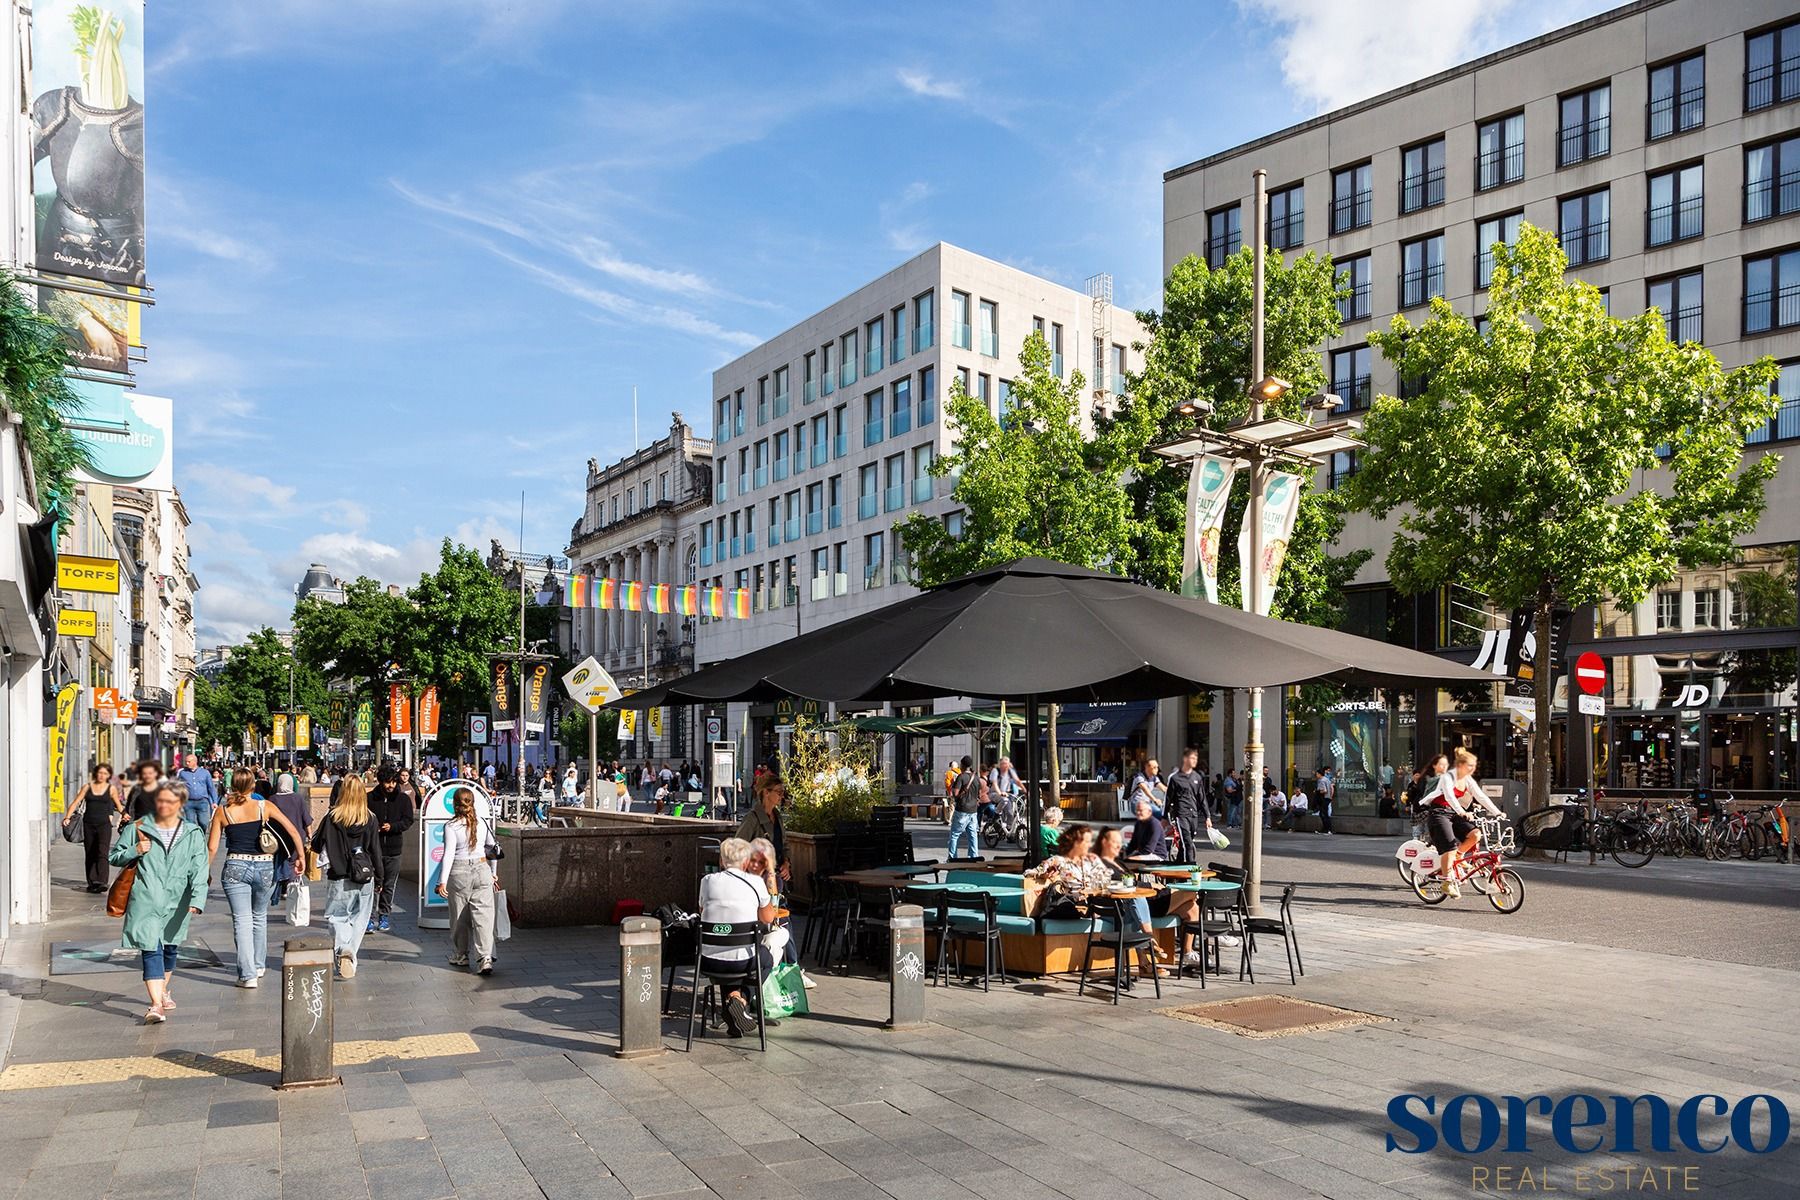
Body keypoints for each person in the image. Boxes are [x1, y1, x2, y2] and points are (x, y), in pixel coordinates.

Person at [110, 781, 208, 1023]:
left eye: (170, 801)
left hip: (178, 900)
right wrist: (134, 849)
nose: (163, 805)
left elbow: (200, 869)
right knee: (151, 948)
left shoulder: (192, 833)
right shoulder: (138, 828)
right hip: (146, 899)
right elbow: (114, 856)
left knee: (171, 947)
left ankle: (163, 990)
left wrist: (197, 898)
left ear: (180, 804)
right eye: (160, 800)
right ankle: (155, 1005)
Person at [208, 770, 304, 988]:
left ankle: (248, 974)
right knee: (259, 917)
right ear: (252, 786)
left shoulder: (224, 812)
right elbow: (293, 831)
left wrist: (205, 872)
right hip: (265, 866)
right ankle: (259, 965)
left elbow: (212, 847)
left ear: (232, 785)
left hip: (235, 866)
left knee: (242, 920)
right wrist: (301, 858)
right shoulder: (265, 807)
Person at [697, 838, 778, 1037]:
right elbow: (768, 918)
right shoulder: (756, 882)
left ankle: (731, 1006)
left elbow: (702, 912)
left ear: (722, 861)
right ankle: (741, 999)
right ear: (744, 863)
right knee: (766, 958)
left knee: (727, 951)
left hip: (709, 961)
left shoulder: (707, 881)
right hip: (742, 962)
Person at [311, 775, 385, 978]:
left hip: (339, 875)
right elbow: (376, 850)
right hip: (364, 875)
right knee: (359, 919)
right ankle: (350, 952)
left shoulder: (332, 817)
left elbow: (316, 845)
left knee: (337, 917)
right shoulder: (370, 818)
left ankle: (343, 949)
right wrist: (380, 877)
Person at [437, 786, 499, 974]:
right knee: (484, 917)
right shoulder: (482, 822)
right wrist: (494, 873)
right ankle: (485, 957)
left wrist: (442, 881)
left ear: (455, 805)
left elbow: (448, 855)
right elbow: (493, 849)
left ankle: (461, 955)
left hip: (459, 871)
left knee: (459, 917)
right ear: (472, 802)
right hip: (482, 869)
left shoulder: (451, 826)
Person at [1426, 748, 1502, 898]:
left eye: (1474, 766)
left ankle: (1459, 857)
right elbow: (1449, 797)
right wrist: (1461, 811)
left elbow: (1481, 796)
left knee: (1475, 834)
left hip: (1454, 813)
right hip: (1439, 813)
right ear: (1460, 765)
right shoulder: (1447, 777)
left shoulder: (1467, 780)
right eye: (1470, 765)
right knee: (1450, 846)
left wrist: (1497, 812)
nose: (1473, 769)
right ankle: (1447, 882)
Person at [367, 767, 415, 933]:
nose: (391, 785)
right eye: (388, 782)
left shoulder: (402, 799)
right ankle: (369, 917)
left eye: (393, 782)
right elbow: (364, 819)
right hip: (374, 848)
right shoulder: (370, 799)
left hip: (394, 848)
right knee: (372, 884)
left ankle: (384, 915)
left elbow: (408, 820)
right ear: (380, 781)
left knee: (388, 885)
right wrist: (375, 828)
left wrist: (393, 826)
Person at [67, 762, 123, 892]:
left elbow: (118, 805)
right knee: (90, 852)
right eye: (100, 773)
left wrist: (124, 814)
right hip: (88, 824)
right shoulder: (87, 787)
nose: (102, 775)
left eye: (105, 773)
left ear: (108, 775)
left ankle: (102, 881)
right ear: (96, 773)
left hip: (104, 824)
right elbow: (76, 802)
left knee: (102, 852)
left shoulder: (111, 789)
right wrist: (67, 817)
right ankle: (92, 882)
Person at [735, 775, 791, 885]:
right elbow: (738, 847)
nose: (782, 796)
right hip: (757, 879)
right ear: (766, 792)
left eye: (783, 792)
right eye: (779, 792)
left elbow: (784, 845)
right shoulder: (752, 818)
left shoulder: (777, 816)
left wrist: (786, 863)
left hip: (776, 876)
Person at [268, 772, 312, 903]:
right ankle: (290, 886)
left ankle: (282, 886)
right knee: (294, 861)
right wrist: (309, 833)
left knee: (281, 860)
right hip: (297, 836)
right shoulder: (297, 798)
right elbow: (306, 819)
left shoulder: (272, 799)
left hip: (279, 838)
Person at [1162, 748, 1211, 864]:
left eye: (1196, 758)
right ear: (1185, 759)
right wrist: (1164, 817)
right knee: (1187, 842)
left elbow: (1202, 798)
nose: (1195, 761)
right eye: (1192, 758)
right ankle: (1192, 868)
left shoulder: (1197, 778)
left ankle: (1178, 865)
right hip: (1180, 814)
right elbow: (1168, 799)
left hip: (1193, 814)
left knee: (1186, 843)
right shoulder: (1175, 778)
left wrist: (1207, 816)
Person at [946, 754, 985, 860]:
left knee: (954, 835)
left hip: (962, 810)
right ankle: (974, 856)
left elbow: (955, 793)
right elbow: (980, 794)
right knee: (972, 836)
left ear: (962, 765)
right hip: (973, 811)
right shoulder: (976, 778)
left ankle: (952, 857)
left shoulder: (961, 777)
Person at [173, 753, 218, 829]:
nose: (187, 763)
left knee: (204, 823)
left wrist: (214, 801)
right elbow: (178, 786)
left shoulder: (205, 773)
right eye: (186, 761)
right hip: (188, 802)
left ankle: (202, 837)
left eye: (188, 762)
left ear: (195, 762)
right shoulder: (182, 773)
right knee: (190, 824)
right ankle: (193, 839)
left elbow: (211, 788)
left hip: (202, 801)